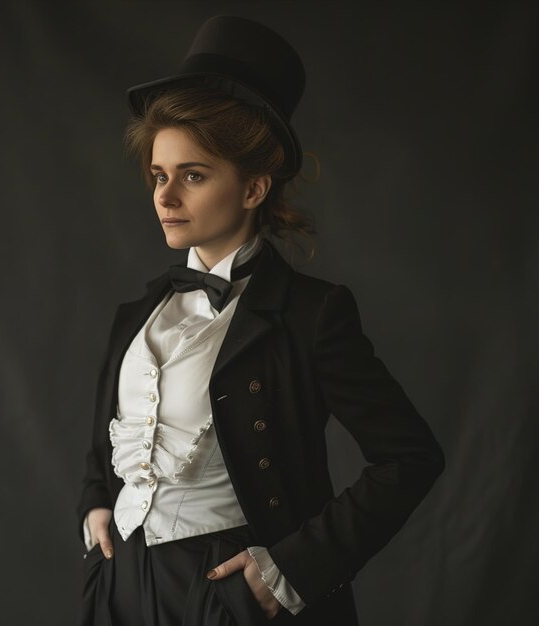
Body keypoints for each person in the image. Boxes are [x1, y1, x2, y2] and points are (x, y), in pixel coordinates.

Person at [76, 15, 445, 626]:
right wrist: (96, 503)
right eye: (159, 176)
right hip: (120, 584)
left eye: (192, 176)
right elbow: (109, 439)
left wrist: (293, 568)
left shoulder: (312, 314)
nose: (164, 198)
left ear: (253, 189)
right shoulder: (138, 312)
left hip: (226, 589)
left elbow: (410, 457)